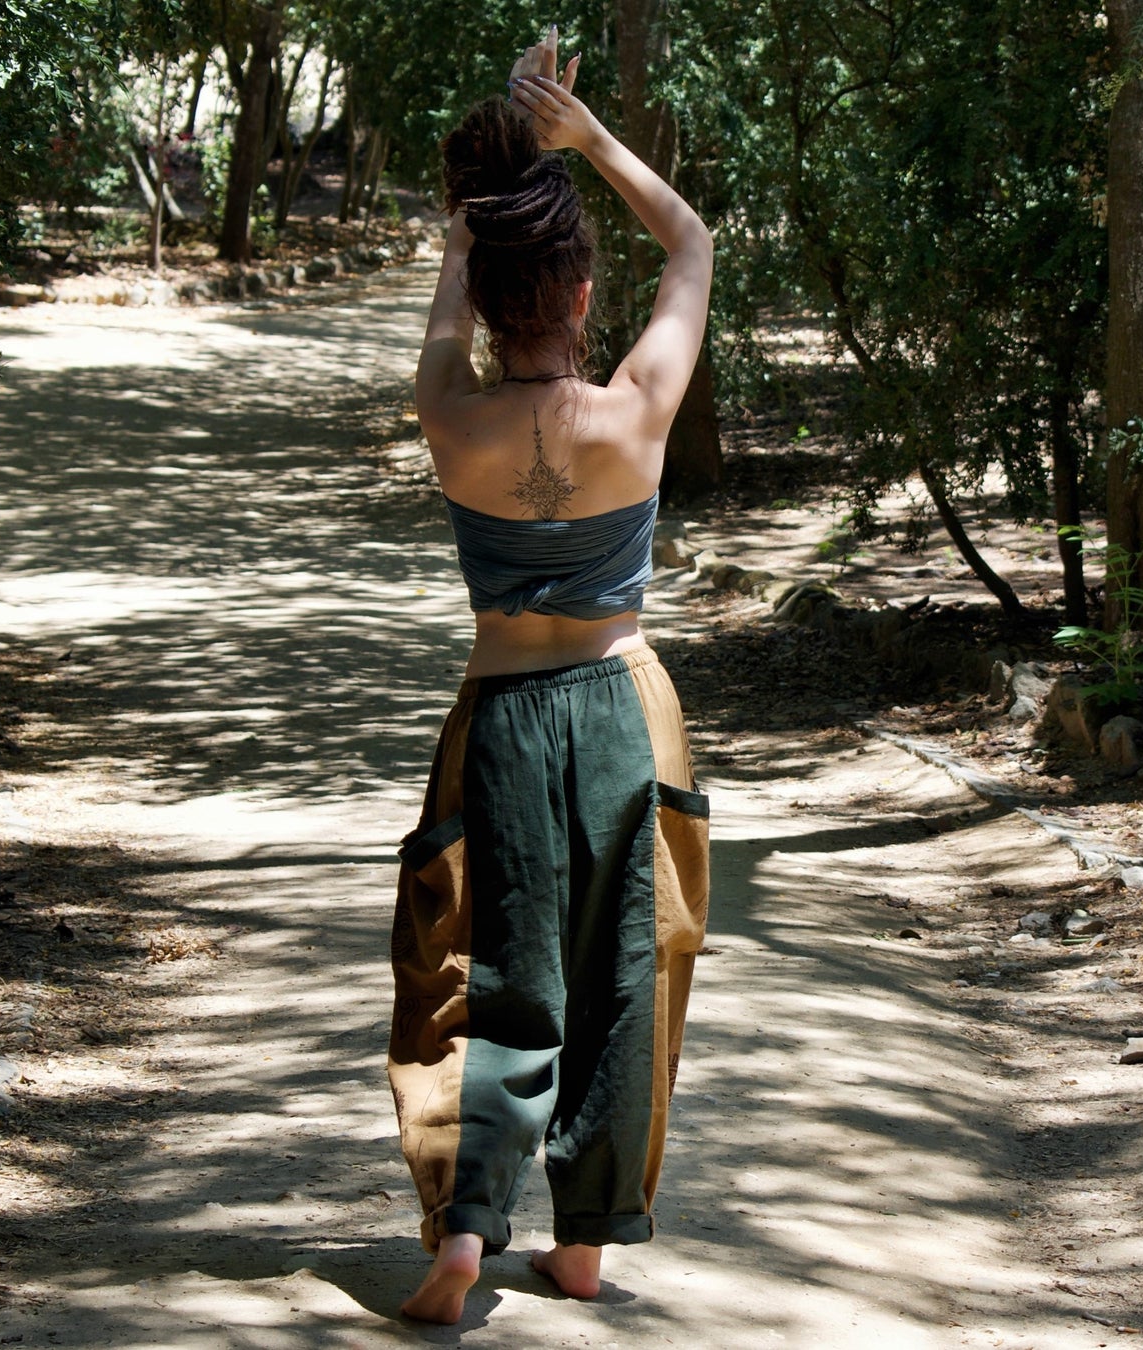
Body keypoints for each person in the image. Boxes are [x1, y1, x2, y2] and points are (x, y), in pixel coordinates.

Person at [387, 28, 714, 1327]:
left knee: (480, 954)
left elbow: (446, 323)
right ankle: (584, 1245)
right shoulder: (636, 411)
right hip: (626, 710)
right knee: (628, 967)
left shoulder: (450, 417)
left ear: (489, 297)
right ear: (582, 296)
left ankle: (468, 1226)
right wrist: (586, 139)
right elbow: (689, 244)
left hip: (502, 714)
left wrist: (467, 233)